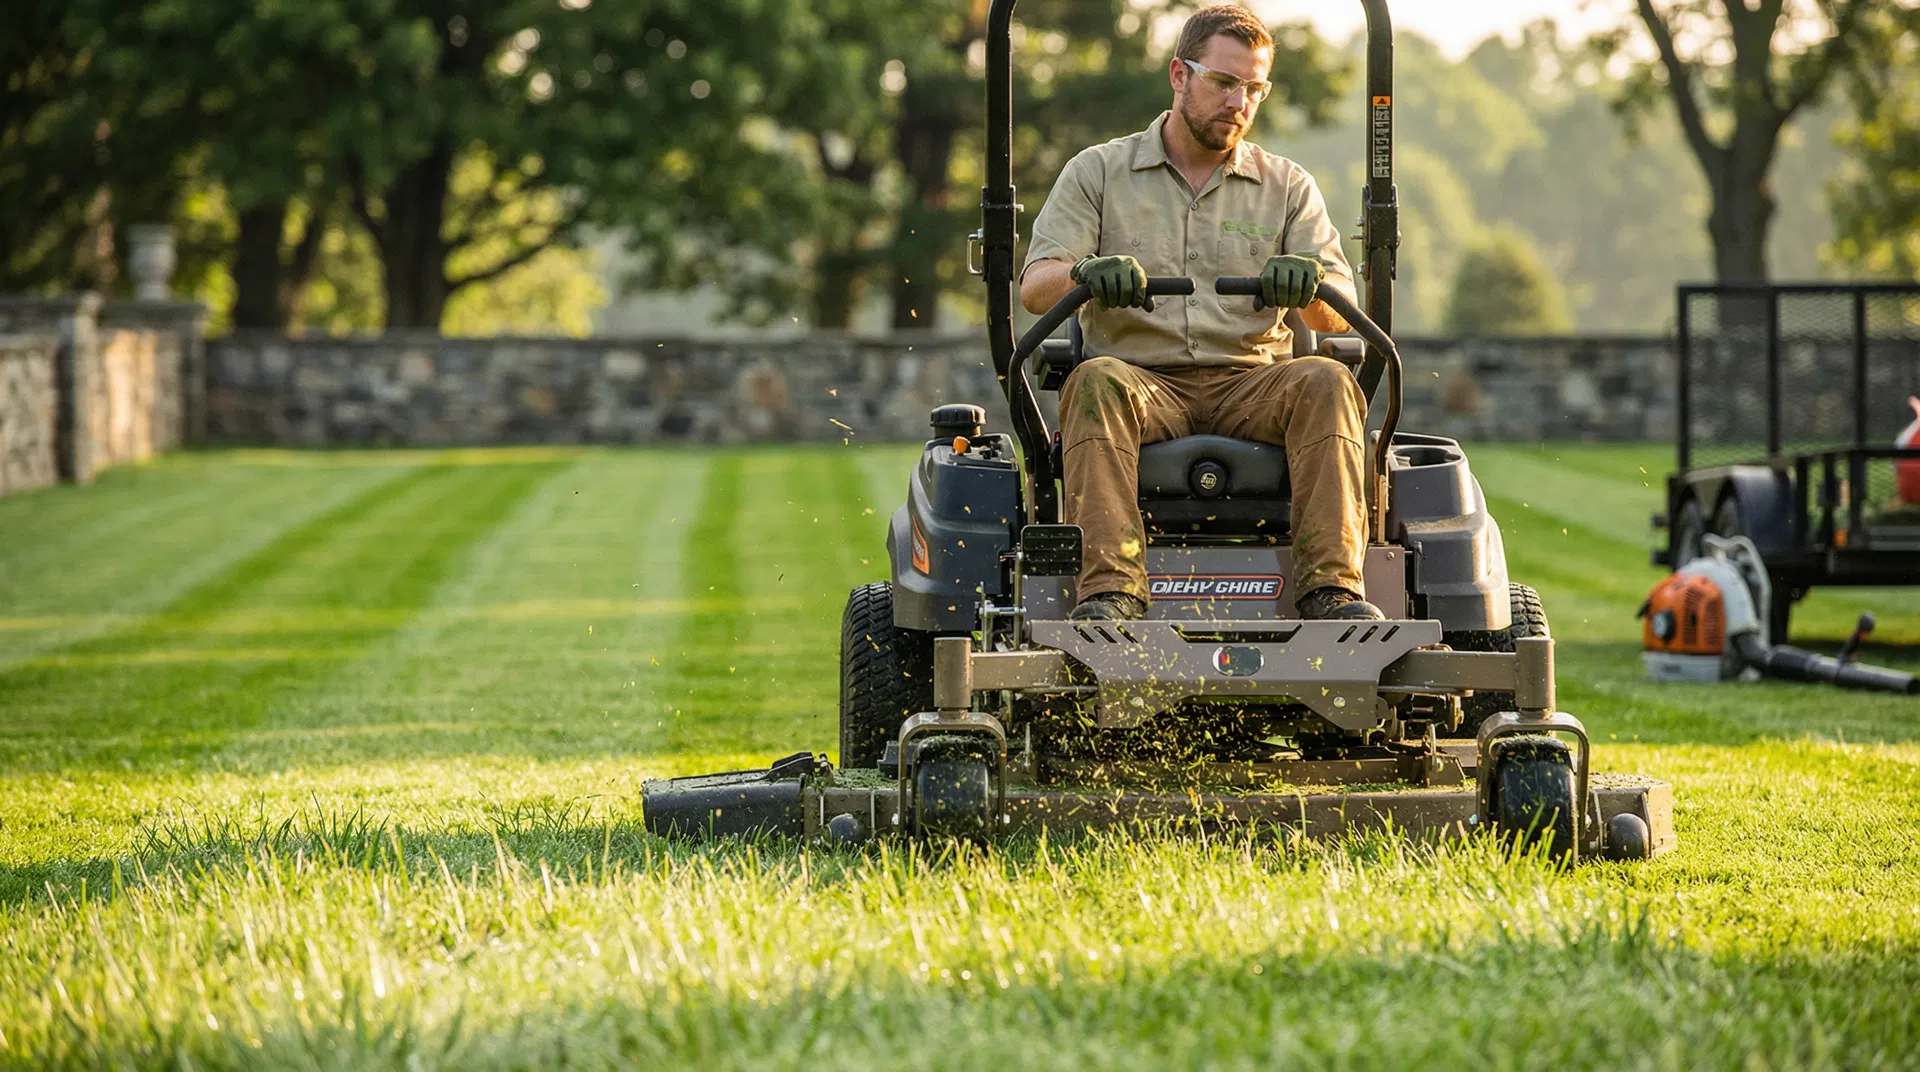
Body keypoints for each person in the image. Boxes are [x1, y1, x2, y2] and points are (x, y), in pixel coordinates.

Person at [1019, 3, 1379, 623]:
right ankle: (1111, 595)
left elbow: (1337, 315)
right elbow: (1036, 286)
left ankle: (1332, 594)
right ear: (1179, 75)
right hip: (1140, 381)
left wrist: (1312, 286)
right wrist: (1083, 273)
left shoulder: (1287, 185)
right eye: (1223, 82)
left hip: (1253, 385)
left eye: (1254, 88)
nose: (1239, 101)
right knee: (1093, 381)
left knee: (1327, 379)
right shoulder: (1099, 172)